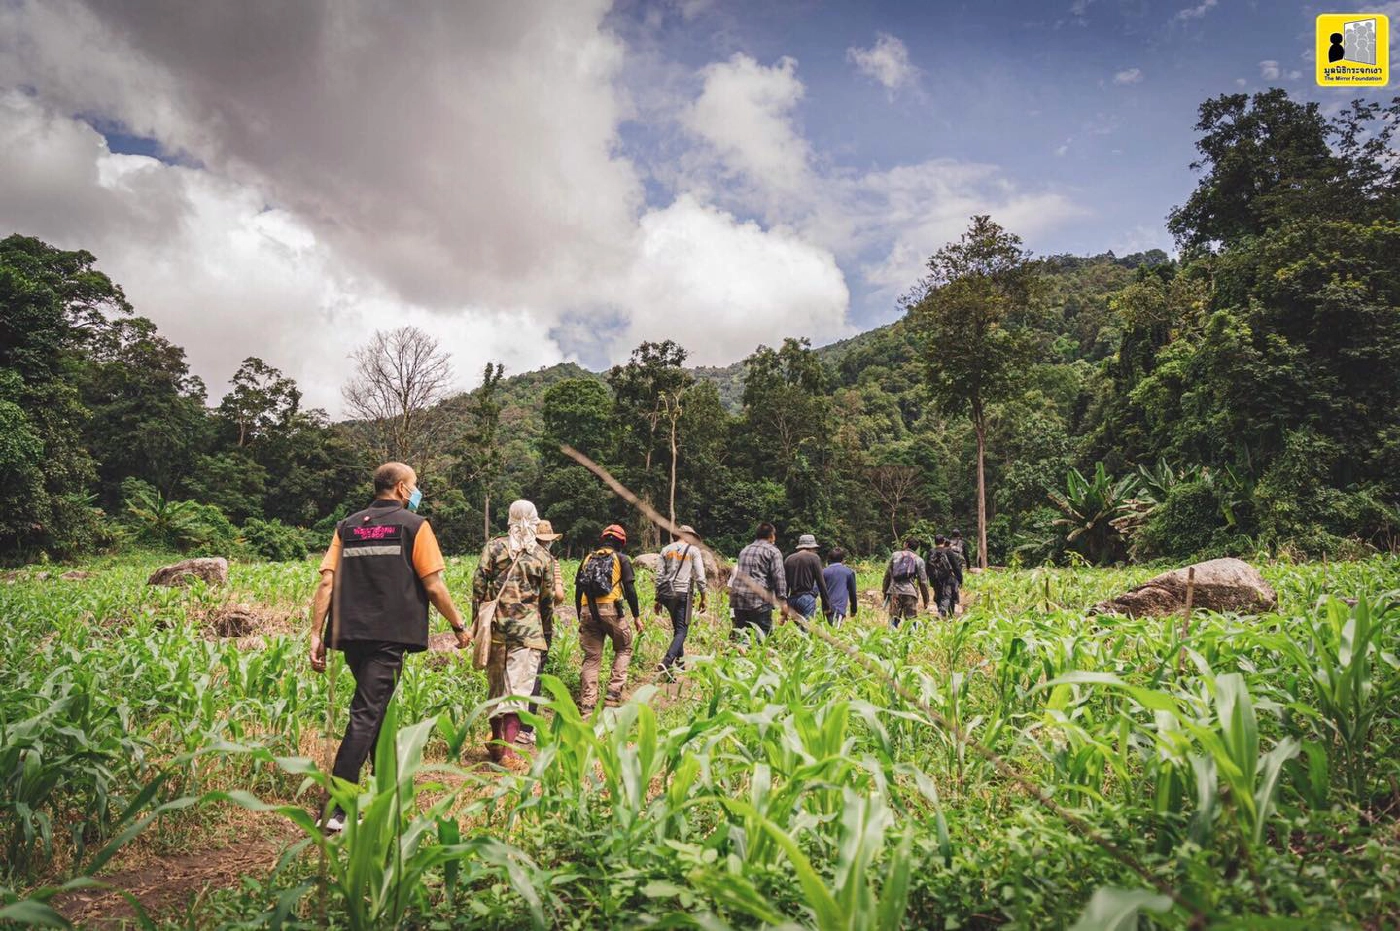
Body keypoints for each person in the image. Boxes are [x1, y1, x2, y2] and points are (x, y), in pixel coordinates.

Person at [308, 462, 468, 831]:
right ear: (399, 488)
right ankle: (336, 810)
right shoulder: (415, 526)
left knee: (374, 711)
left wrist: (316, 633)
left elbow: (327, 585)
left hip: (350, 635)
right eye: (414, 485)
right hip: (389, 636)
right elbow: (434, 586)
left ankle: (386, 795)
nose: (416, 491)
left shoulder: (346, 526)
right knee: (366, 713)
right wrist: (458, 625)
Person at [472, 500, 555, 765]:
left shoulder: (494, 547)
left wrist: (478, 622)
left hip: (496, 629)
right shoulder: (542, 555)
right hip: (527, 632)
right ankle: (507, 753)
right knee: (517, 693)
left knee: (496, 690)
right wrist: (547, 631)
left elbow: (478, 585)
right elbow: (547, 599)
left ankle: (496, 745)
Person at [574, 524, 643, 713]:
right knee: (624, 646)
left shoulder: (587, 558)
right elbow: (630, 589)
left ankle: (588, 704)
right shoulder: (621, 558)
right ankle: (613, 693)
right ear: (622, 542)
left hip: (587, 612)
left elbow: (578, 590)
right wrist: (636, 616)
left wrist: (580, 615)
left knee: (592, 658)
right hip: (611, 610)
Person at [516, 518, 565, 747]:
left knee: (514, 673)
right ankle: (527, 729)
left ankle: (509, 726)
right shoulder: (550, 561)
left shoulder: (517, 555)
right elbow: (558, 595)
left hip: (515, 622)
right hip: (539, 625)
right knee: (535, 673)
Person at [655, 524, 708, 676]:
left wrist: (657, 599)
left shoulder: (666, 550)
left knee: (678, 629)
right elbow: (700, 576)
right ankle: (667, 661)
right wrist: (704, 596)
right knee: (682, 631)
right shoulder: (693, 551)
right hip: (683, 593)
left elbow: (659, 576)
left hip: (667, 595)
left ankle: (679, 664)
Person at [729, 522, 787, 638]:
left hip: (738, 600)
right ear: (771, 536)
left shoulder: (744, 550)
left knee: (743, 636)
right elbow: (778, 576)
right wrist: (783, 601)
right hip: (759, 600)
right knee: (763, 637)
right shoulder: (773, 551)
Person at [784, 534, 832, 627]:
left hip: (792, 599)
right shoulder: (814, 558)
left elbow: (785, 585)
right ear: (811, 547)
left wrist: (785, 604)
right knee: (807, 628)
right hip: (806, 598)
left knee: (799, 629)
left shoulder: (788, 559)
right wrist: (826, 605)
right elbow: (821, 583)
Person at [881, 537, 929, 628]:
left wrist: (885, 591)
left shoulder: (895, 555)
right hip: (910, 593)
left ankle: (892, 639)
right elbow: (923, 582)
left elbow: (887, 575)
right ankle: (911, 640)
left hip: (894, 591)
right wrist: (926, 599)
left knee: (893, 618)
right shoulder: (919, 560)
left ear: (906, 544)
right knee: (911, 619)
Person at [930, 535, 964, 618]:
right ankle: (945, 614)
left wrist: (931, 580)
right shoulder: (948, 551)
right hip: (948, 578)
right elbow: (955, 566)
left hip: (936, 578)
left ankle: (942, 612)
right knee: (948, 596)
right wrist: (960, 579)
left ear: (935, 541)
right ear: (943, 541)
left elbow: (928, 567)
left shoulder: (931, 552)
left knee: (938, 596)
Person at [822, 548, 859, 625]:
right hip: (839, 608)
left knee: (829, 630)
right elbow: (852, 593)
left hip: (826, 608)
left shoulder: (824, 572)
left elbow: (817, 589)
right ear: (843, 560)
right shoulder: (848, 572)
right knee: (835, 632)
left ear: (829, 559)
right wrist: (853, 610)